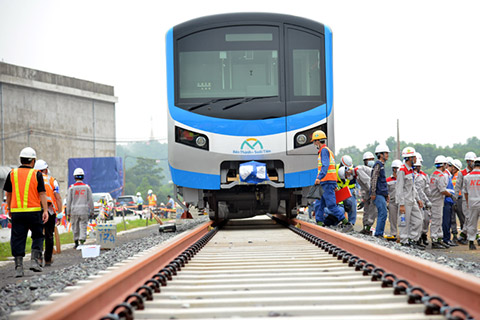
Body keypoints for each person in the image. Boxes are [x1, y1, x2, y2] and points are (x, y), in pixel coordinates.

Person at [3, 147, 49, 277]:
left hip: (17, 212)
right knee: (38, 236)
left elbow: (8, 193)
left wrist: (10, 209)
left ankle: (19, 267)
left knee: (17, 238)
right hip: (34, 211)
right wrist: (45, 210)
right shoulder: (37, 174)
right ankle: (34, 261)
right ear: (33, 161)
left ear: (21, 159)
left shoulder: (12, 173)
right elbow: (42, 193)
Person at [311, 130, 346, 227]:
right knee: (319, 203)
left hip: (326, 181)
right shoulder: (326, 151)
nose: (314, 144)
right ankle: (319, 222)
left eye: (314, 141)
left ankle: (344, 221)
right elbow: (332, 167)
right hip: (326, 181)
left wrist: (319, 177)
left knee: (331, 205)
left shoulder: (324, 150)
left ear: (318, 141)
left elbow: (326, 166)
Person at [34, 159, 62, 266]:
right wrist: (59, 214)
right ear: (46, 169)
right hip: (49, 211)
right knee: (49, 235)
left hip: (36, 210)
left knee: (37, 235)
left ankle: (38, 258)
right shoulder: (52, 180)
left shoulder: (33, 180)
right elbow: (58, 197)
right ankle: (48, 259)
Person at [396, 147, 424, 250]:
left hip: (412, 200)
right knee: (404, 222)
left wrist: (418, 199)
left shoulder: (411, 170)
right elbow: (399, 188)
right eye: (414, 157)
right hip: (405, 201)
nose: (416, 160)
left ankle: (413, 239)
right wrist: (401, 204)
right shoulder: (402, 170)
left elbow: (412, 187)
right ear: (410, 158)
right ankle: (404, 241)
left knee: (419, 220)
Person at [428, 155, 452, 249]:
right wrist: (450, 195)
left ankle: (439, 239)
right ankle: (435, 240)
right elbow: (442, 190)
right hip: (437, 200)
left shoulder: (433, 174)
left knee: (438, 220)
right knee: (436, 221)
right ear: (443, 165)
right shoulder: (441, 176)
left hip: (434, 199)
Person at [66, 168, 93, 249]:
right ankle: (82, 241)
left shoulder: (71, 188)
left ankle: (76, 242)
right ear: (83, 177)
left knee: (75, 226)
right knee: (83, 226)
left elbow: (69, 201)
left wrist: (68, 212)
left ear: (74, 177)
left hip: (74, 210)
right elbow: (90, 200)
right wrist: (92, 211)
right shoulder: (87, 187)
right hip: (84, 210)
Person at [455, 151, 477, 245]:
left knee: (472, 218)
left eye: (472, 161)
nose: (470, 163)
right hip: (466, 199)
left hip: (475, 198)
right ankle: (475, 236)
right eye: (469, 161)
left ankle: (463, 234)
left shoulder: (477, 172)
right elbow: (458, 186)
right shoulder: (462, 173)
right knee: (468, 218)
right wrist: (455, 198)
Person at [370, 144, 390, 239]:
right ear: (380, 154)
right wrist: (373, 192)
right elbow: (374, 179)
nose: (387, 155)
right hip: (378, 194)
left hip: (381, 194)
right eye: (386, 153)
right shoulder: (378, 165)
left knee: (383, 213)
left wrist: (386, 194)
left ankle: (379, 233)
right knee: (383, 213)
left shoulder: (381, 165)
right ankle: (378, 234)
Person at [413, 153, 431, 246]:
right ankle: (417, 238)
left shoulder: (424, 175)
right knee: (418, 220)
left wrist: (428, 199)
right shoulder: (412, 175)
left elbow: (426, 189)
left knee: (425, 220)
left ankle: (423, 235)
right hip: (416, 200)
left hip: (423, 200)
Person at [462, 156, 480, 250]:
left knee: (471, 223)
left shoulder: (467, 177)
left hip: (472, 202)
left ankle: (471, 242)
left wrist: (468, 202)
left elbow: (465, 192)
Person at [442, 158, 460, 247]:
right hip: (446, 201)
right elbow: (443, 189)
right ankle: (446, 239)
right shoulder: (445, 175)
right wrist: (451, 196)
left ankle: (447, 239)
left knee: (448, 221)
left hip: (449, 201)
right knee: (446, 221)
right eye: (455, 169)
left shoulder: (448, 175)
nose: (455, 171)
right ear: (452, 167)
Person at [336, 155, 356, 232]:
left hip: (349, 189)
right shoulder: (335, 168)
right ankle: (340, 221)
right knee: (339, 206)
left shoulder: (352, 170)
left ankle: (351, 223)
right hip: (338, 189)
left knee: (352, 205)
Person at [360, 151, 378, 234]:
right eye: (369, 159)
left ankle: (368, 227)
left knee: (373, 211)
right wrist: (363, 198)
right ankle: (365, 227)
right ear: (365, 161)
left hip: (373, 194)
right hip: (367, 194)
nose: (371, 161)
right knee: (366, 211)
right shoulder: (363, 170)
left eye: (372, 159)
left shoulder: (375, 169)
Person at [386, 159, 403, 240]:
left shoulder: (403, 179)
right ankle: (393, 234)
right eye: (396, 168)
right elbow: (386, 191)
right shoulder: (388, 180)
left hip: (401, 202)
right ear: (393, 169)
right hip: (392, 202)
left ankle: (403, 235)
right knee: (392, 219)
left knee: (402, 219)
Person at [450, 159, 463, 243]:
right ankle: (455, 235)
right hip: (453, 198)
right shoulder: (450, 176)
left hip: (459, 198)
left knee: (462, 217)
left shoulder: (459, 175)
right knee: (452, 218)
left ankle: (464, 235)